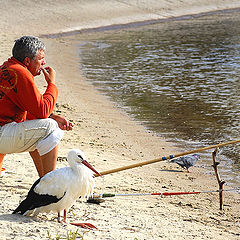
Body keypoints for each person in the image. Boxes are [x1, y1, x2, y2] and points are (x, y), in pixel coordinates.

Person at [0, 35, 73, 178]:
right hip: (2, 135)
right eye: (41, 59)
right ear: (27, 61)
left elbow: (31, 109)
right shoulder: (21, 73)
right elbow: (42, 111)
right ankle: (50, 183)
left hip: (3, 133)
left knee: (39, 128)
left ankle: (43, 179)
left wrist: (53, 116)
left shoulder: (6, 68)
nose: (44, 62)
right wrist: (52, 84)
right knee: (50, 128)